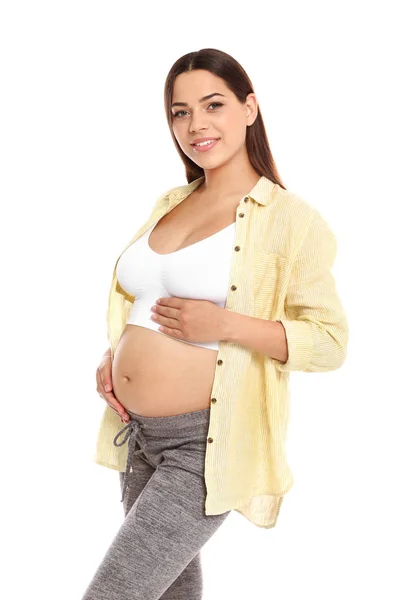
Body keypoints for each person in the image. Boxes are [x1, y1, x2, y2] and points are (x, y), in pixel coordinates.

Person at [82, 48, 349, 599]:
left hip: (203, 445)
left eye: (213, 105)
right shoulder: (171, 203)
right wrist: (116, 357)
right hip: (138, 438)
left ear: (250, 109)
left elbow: (328, 342)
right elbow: (144, 297)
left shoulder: (289, 221)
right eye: (180, 112)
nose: (196, 124)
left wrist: (227, 324)